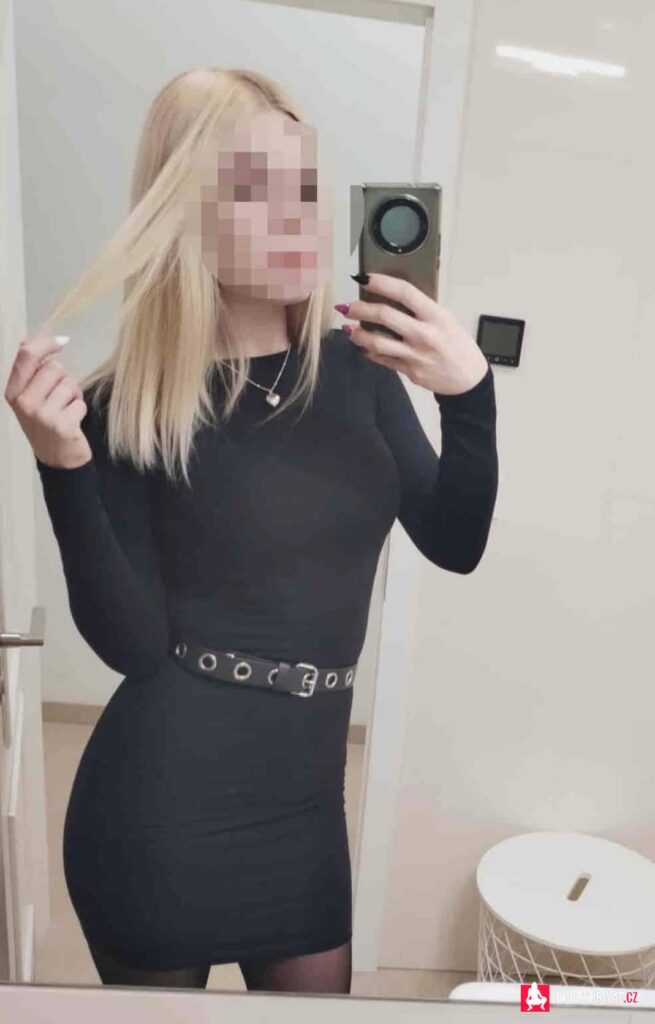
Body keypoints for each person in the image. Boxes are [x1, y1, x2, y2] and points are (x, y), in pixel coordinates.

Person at [4, 67, 498, 993]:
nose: (293, 216)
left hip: (305, 807)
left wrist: (469, 396)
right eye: (252, 189)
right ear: (182, 216)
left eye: (304, 188)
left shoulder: (359, 373)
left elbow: (454, 541)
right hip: (158, 811)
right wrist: (62, 467)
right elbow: (131, 646)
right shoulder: (124, 406)